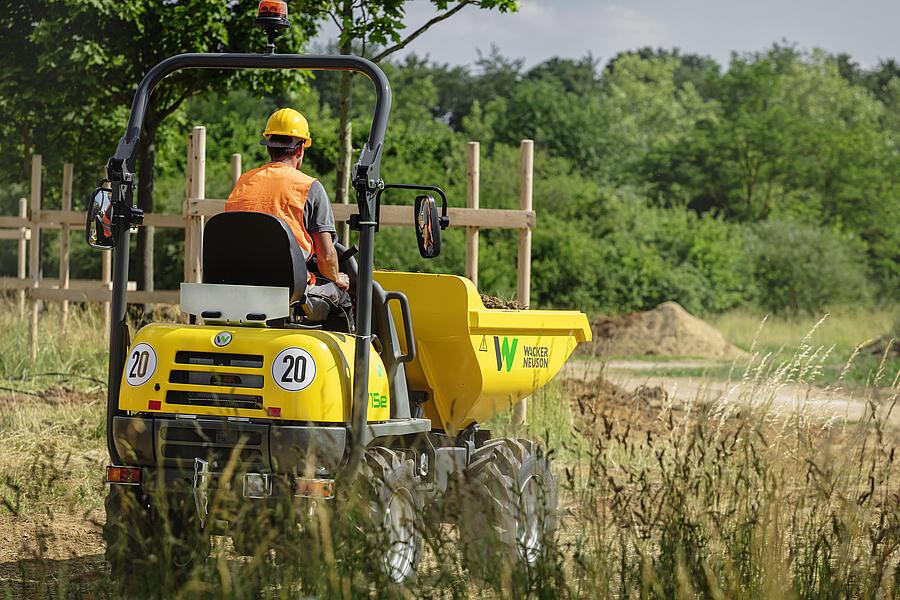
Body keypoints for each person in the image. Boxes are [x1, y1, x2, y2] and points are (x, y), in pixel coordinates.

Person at [225, 108, 350, 322]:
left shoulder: (243, 183)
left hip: (240, 286)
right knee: (344, 298)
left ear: (269, 148)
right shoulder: (309, 187)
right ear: (300, 149)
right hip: (290, 292)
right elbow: (327, 257)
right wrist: (337, 277)